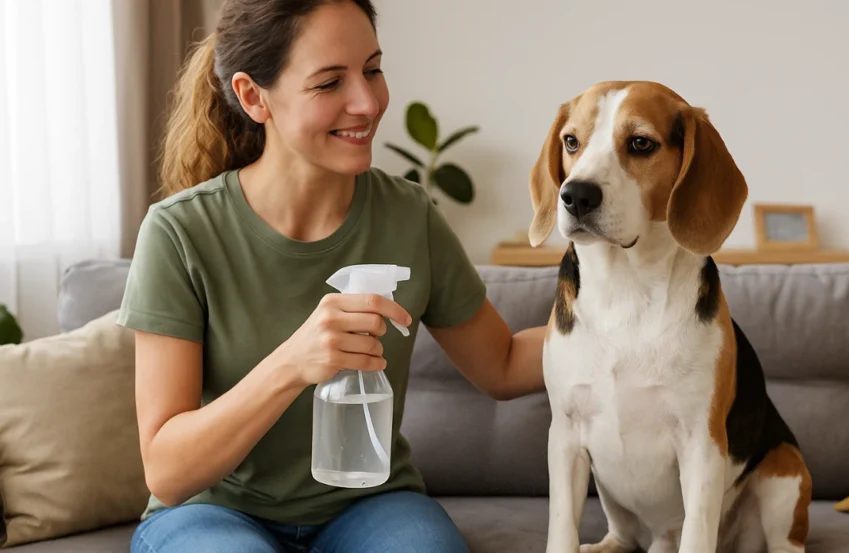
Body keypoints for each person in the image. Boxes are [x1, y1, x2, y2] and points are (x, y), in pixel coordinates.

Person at [118, 1, 546, 551]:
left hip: (371, 505)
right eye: (328, 83)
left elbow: (503, 364)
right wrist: (292, 364)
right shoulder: (181, 233)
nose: (367, 103)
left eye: (372, 69)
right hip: (211, 511)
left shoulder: (409, 216)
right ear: (253, 97)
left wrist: (645, 323)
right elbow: (167, 471)